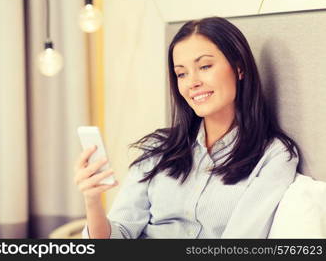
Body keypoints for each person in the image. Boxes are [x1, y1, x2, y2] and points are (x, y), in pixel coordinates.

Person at [74, 17, 300, 239]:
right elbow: (116, 237)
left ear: (239, 68)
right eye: (181, 73)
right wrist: (92, 200)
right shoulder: (159, 148)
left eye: (204, 66)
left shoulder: (275, 155)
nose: (192, 82)